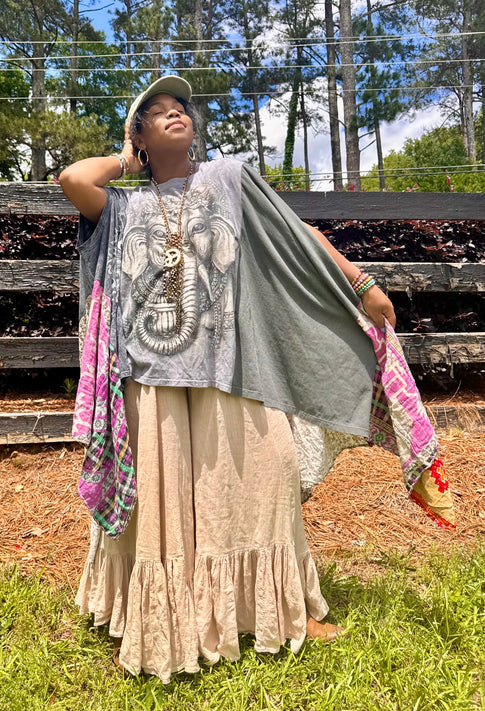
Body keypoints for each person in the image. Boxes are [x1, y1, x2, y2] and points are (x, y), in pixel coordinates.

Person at [59, 75, 454, 684]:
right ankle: (156, 618)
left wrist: (361, 283)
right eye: (157, 112)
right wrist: (126, 161)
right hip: (150, 378)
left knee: (267, 481)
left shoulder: (229, 179)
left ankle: (287, 610)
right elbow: (73, 179)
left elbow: (299, 237)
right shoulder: (123, 209)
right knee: (162, 507)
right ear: (139, 134)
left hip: (236, 366)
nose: (174, 113)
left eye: (180, 107)